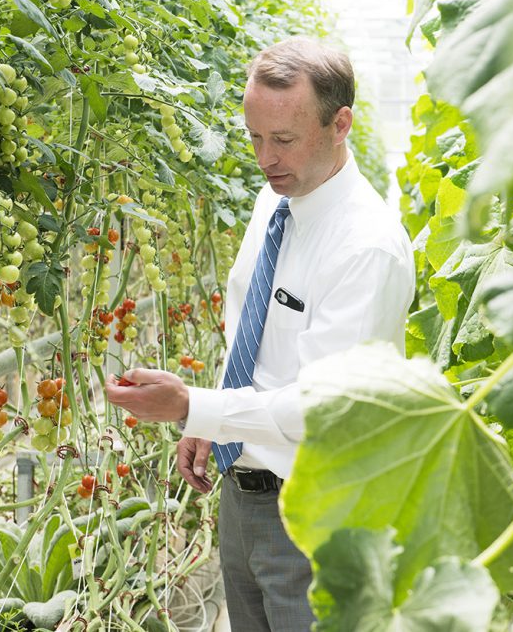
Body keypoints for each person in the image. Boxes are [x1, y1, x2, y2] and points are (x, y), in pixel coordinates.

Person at [104, 37, 414, 631]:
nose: (265, 157)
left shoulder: (366, 247)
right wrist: (210, 426)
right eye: (254, 138)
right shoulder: (272, 203)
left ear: (340, 123)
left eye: (284, 140)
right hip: (243, 499)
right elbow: (248, 331)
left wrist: (191, 405)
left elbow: (323, 407)